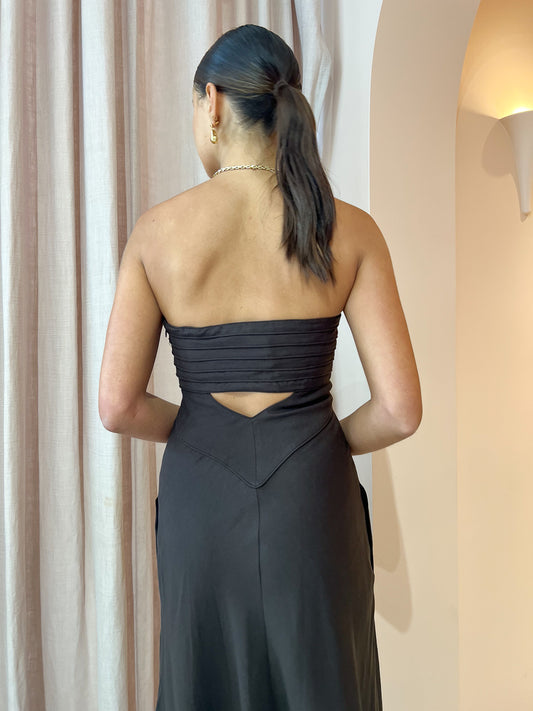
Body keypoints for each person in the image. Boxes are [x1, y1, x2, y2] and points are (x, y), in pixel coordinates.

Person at [99, 23, 422, 711]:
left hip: (200, 500)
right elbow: (399, 410)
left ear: (212, 103)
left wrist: (204, 429)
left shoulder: (157, 233)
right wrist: (313, 439)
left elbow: (118, 405)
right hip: (312, 497)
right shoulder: (350, 229)